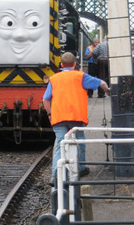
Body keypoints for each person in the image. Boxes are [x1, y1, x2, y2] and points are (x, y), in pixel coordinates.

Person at [43, 52, 109, 183]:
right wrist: (107, 90)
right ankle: (81, 168)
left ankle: (55, 175)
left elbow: (45, 100)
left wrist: (50, 113)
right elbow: (101, 83)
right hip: (76, 118)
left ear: (61, 65)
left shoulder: (54, 79)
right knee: (79, 143)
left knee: (60, 145)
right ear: (75, 64)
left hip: (59, 118)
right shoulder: (81, 76)